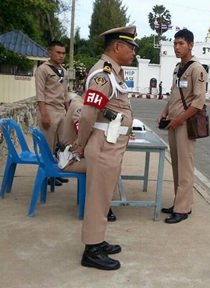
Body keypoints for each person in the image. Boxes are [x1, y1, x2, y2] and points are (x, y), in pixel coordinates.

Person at [74, 25, 138, 270]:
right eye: (130, 47)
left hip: (111, 144)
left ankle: (97, 240)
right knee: (97, 199)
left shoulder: (113, 73)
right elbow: (89, 114)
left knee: (102, 198)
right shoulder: (102, 73)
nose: (133, 52)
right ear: (117, 47)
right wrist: (81, 144)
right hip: (103, 145)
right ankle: (91, 250)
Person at [158, 29, 206, 224]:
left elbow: (198, 101)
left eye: (181, 44)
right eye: (175, 44)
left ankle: (183, 208)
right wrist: (165, 111)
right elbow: (174, 94)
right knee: (177, 164)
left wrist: (179, 119)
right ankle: (179, 202)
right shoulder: (178, 68)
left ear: (191, 45)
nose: (177, 47)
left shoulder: (197, 69)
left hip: (186, 124)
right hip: (174, 121)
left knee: (185, 166)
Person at [60, 93, 117, 222]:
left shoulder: (79, 103)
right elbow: (82, 131)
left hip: (73, 156)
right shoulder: (80, 107)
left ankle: (104, 203)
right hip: (70, 160)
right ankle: (102, 207)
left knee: (107, 163)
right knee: (105, 166)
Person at [35, 40, 70, 186]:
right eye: (58, 52)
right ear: (50, 52)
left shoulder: (64, 71)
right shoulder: (43, 70)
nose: (61, 56)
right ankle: (47, 176)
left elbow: (66, 94)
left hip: (61, 111)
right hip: (48, 110)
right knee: (48, 146)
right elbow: (40, 93)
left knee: (60, 146)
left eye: (63, 53)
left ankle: (56, 172)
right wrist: (44, 114)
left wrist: (69, 113)